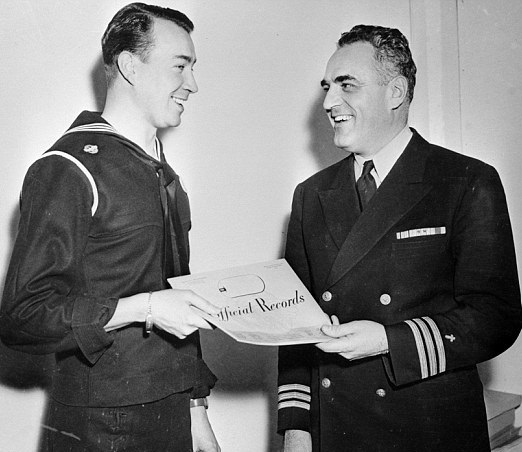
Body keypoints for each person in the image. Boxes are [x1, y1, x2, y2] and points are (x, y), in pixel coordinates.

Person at [277, 24, 522, 452]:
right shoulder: (311, 195)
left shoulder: (466, 180)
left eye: (346, 85)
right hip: (337, 428)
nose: (329, 102)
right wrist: (297, 429)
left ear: (395, 92)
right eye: (327, 87)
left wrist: (389, 341)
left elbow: (496, 316)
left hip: (429, 429)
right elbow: (296, 325)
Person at [0, 3, 221, 451]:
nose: (192, 84)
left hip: (172, 408)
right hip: (102, 424)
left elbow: (173, 298)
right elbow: (21, 316)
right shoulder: (68, 168)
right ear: (129, 66)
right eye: (181, 65)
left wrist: (197, 416)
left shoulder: (161, 170)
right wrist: (145, 308)